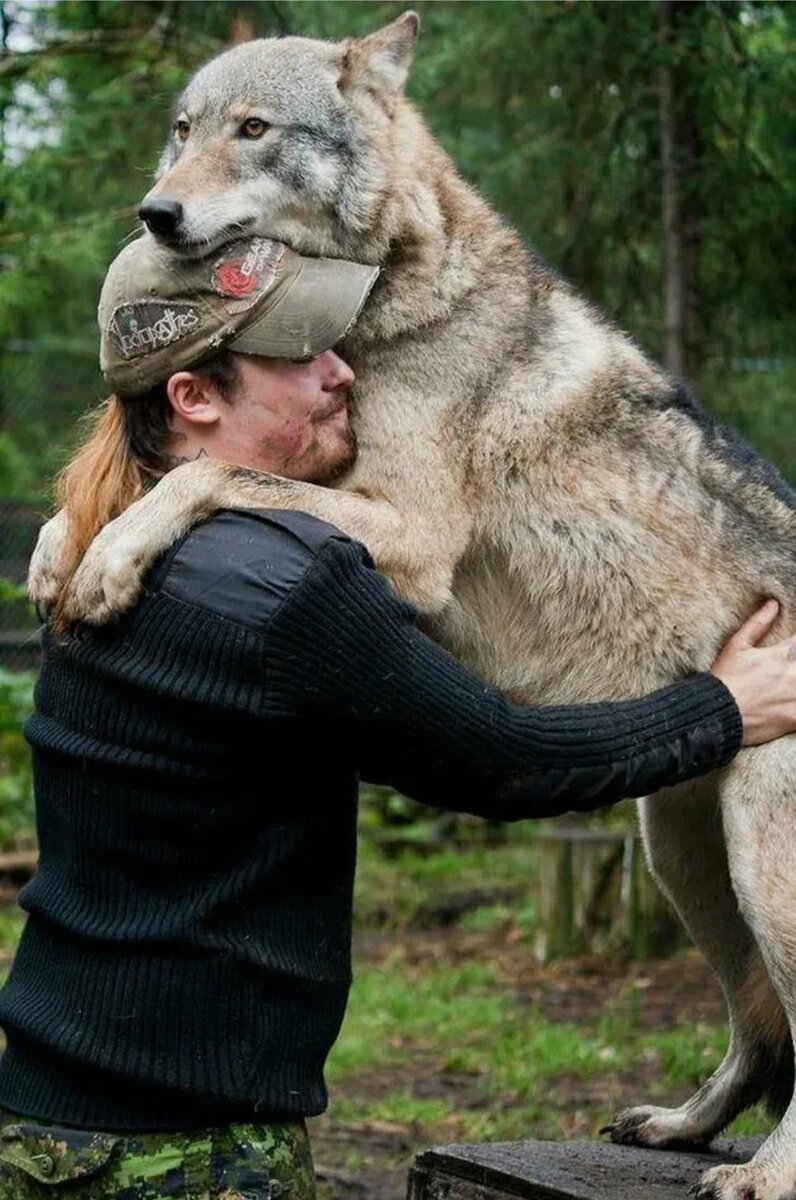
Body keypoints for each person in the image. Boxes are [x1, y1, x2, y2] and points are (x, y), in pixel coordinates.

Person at [0, 232, 794, 1200]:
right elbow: (505, 763)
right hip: (190, 1150)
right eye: (299, 355)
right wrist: (723, 706)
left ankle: (752, 1062)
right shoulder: (286, 586)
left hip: (44, 1109)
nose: (344, 374)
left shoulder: (90, 553)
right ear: (193, 397)